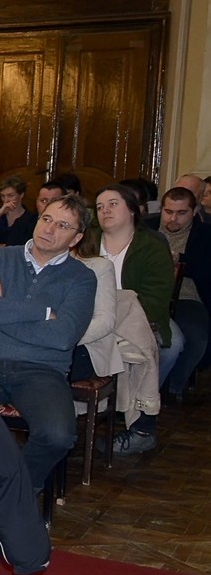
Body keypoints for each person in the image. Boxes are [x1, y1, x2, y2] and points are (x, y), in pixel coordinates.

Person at [0, 194, 95, 493]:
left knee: (58, 436)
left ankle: (13, 493)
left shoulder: (82, 278)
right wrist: (43, 312)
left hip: (42, 372)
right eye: (46, 219)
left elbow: (63, 337)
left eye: (62, 225)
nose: (49, 229)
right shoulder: (2, 258)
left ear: (76, 238)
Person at [95, 184, 177, 453]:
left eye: (113, 204)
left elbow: (155, 301)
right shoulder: (86, 242)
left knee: (142, 348)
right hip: (92, 319)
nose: (105, 211)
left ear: (132, 210)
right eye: (100, 207)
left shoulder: (151, 247)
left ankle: (142, 427)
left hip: (138, 319)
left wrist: (116, 317)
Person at [160, 186, 211, 398]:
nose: (173, 218)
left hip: (187, 296)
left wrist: (180, 260)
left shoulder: (205, 235)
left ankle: (174, 386)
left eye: (181, 213)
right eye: (168, 211)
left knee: (196, 337)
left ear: (194, 211)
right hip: (150, 295)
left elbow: (206, 269)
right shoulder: (146, 228)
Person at [0, 176, 35, 245]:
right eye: (2, 196)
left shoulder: (30, 218)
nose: (6, 200)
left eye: (10, 195)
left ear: (21, 195)